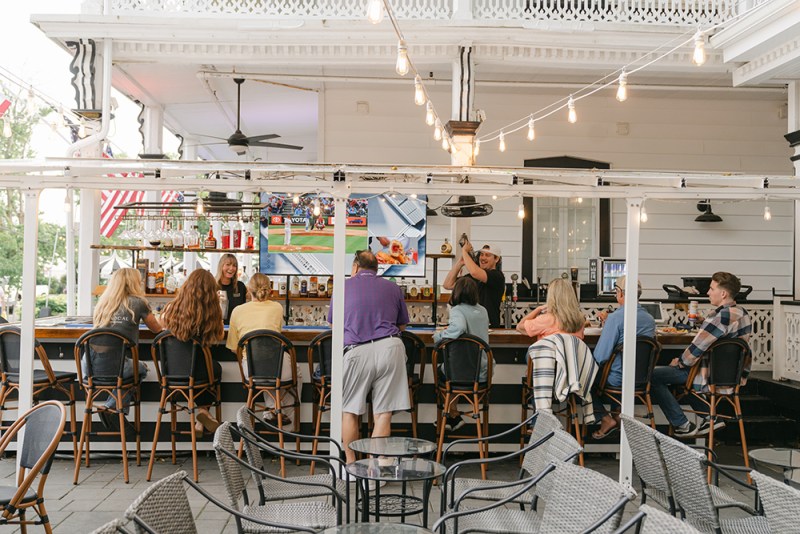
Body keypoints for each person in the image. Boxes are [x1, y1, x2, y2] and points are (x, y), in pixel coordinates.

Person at [328, 250, 409, 465]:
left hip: (356, 351)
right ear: (377, 268)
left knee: (350, 411)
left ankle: (351, 465)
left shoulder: (342, 287)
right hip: (390, 348)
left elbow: (333, 325)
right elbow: (402, 325)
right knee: (383, 413)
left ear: (355, 267)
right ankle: (375, 468)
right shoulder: (393, 288)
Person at [650, 271, 752, 438]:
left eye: (711, 289)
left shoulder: (721, 317)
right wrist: (704, 322)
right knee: (682, 383)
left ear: (723, 294)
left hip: (708, 374)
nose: (708, 292)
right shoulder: (743, 313)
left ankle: (682, 424)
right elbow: (723, 337)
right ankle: (709, 417)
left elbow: (697, 347)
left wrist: (679, 362)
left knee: (653, 376)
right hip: (731, 375)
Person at [91, 268, 162, 430]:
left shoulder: (102, 302)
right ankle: (112, 408)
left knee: (126, 374)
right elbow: (157, 329)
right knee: (141, 369)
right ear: (133, 282)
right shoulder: (138, 302)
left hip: (89, 367)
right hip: (118, 367)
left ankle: (113, 409)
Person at [226, 273, 302, 424]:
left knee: (267, 367)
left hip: (251, 372)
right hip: (278, 370)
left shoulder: (237, 311)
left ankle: (272, 411)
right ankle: (283, 418)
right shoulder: (277, 308)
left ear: (249, 289)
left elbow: (234, 349)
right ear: (269, 289)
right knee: (292, 372)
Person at [590, 276, 656, 439]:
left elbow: (600, 356)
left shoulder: (616, 318)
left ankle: (605, 418)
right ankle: (619, 414)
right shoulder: (649, 319)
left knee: (583, 380)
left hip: (617, 379)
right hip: (641, 379)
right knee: (618, 367)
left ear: (620, 292)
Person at [160, 269, 225, 436]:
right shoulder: (212, 311)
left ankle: (201, 419)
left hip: (171, 371)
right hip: (200, 371)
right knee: (214, 369)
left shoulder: (172, 307)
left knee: (199, 372)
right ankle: (202, 414)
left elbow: (162, 326)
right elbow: (218, 336)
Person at [433, 276, 490, 432]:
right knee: (452, 372)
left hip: (461, 372)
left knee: (444, 373)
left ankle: (451, 415)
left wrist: (438, 336)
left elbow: (458, 328)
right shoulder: (483, 310)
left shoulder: (457, 310)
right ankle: (453, 416)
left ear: (456, 292)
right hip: (482, 372)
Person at [443, 241, 505, 328]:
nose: (483, 258)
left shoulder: (497, 276)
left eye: (487, 255)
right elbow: (448, 285)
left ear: (496, 259)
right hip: (471, 325)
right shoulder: (472, 277)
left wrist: (464, 251)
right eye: (481, 254)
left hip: (489, 326)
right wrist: (460, 263)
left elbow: (474, 272)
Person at [516, 277, 586, 341]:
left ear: (551, 297)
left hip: (549, 351)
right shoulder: (580, 319)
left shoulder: (546, 320)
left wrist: (538, 309)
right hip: (573, 351)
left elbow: (519, 327)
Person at [216, 253, 248, 325]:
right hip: (216, 327)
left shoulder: (240, 286)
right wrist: (213, 301)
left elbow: (244, 311)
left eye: (234, 265)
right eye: (228, 264)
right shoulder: (212, 286)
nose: (231, 268)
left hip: (236, 327)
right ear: (221, 266)